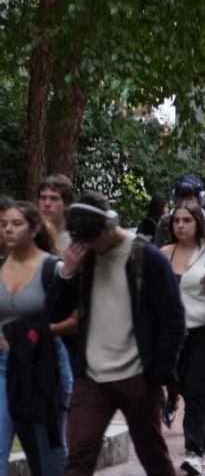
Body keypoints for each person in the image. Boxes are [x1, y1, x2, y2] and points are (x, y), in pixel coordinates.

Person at [49, 191, 185, 476]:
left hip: (137, 377)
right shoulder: (83, 258)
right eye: (82, 241)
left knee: (152, 455)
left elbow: (173, 321)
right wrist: (67, 273)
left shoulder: (148, 259)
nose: (89, 246)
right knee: (79, 455)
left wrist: (157, 376)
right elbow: (55, 313)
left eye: (93, 239)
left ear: (111, 224)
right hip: (92, 378)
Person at [0, 201, 72, 476]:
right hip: (5, 367)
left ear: (34, 228)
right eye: (5, 223)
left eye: (16, 224)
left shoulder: (53, 268)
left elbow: (77, 319)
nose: (8, 229)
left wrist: (33, 335)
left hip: (45, 365)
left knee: (50, 448)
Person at [160, 200, 205, 474]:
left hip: (204, 330)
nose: (181, 226)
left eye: (187, 220)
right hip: (174, 335)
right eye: (177, 221)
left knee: (197, 389)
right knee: (181, 386)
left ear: (198, 223)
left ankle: (194, 449)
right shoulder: (163, 253)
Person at [37, 174, 75, 253]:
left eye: (54, 198)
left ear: (66, 204)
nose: (47, 204)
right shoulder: (30, 237)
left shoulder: (75, 242)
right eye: (43, 198)